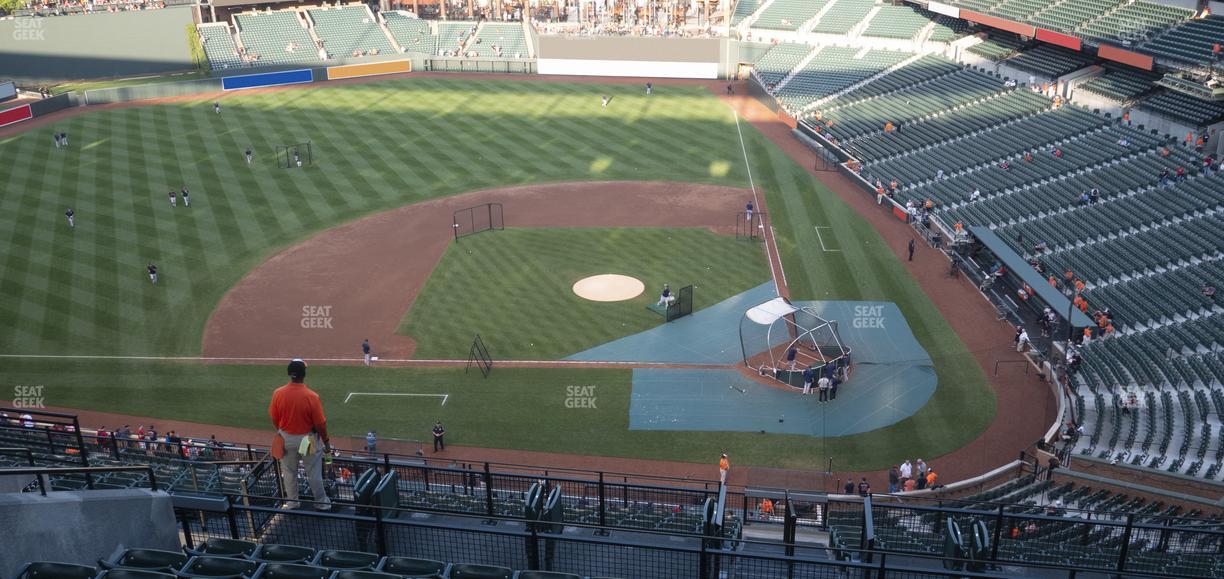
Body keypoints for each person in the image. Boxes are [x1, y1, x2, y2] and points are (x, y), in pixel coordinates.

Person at [269, 358, 332, 510]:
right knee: (313, 471)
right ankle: (321, 503)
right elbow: (320, 424)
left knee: (289, 472)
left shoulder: (278, 393)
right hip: (307, 439)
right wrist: (326, 441)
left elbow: (274, 418)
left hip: (286, 438)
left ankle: (292, 502)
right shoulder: (311, 396)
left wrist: (282, 433)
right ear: (304, 375)